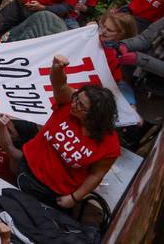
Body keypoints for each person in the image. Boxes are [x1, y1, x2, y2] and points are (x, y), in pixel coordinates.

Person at [18, 55, 120, 209]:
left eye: (81, 106)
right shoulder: (67, 104)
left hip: (53, 193)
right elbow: (59, 84)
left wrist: (74, 197)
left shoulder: (110, 146)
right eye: (76, 99)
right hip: (28, 170)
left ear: (95, 116)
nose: (74, 105)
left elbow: (96, 174)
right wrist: (57, 67)